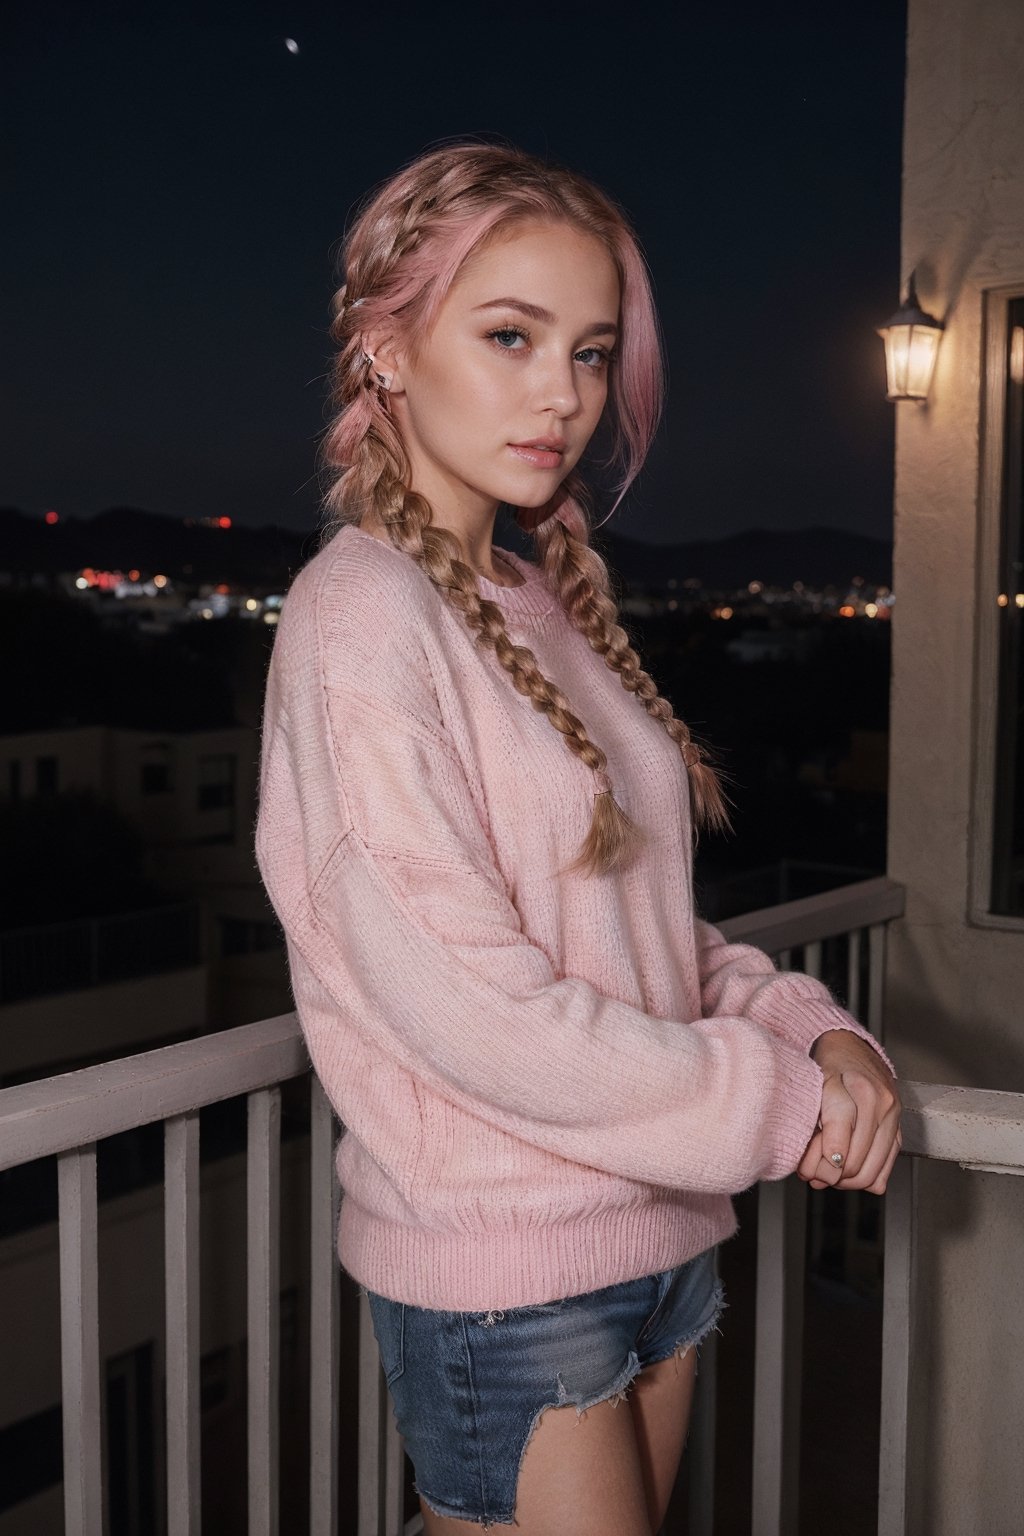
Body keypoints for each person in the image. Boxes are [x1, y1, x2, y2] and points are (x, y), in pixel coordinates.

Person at [254, 141, 902, 1536]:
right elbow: (471, 1001)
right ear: (385, 350)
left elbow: (638, 944)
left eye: (592, 353)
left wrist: (805, 1027)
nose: (564, 395)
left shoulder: (529, 603)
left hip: (661, 1243)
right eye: (511, 336)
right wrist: (772, 1103)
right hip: (508, 1273)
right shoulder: (360, 615)